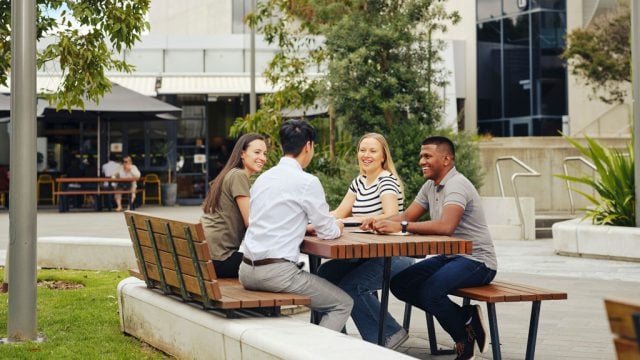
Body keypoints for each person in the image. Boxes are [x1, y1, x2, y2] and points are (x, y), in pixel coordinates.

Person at [362, 136, 497, 360]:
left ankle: (464, 339)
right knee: (400, 283)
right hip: (450, 257)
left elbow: (446, 226)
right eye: (421, 156)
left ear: (446, 159)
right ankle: (465, 316)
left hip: (477, 261)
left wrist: (401, 225)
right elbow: (406, 215)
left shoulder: (456, 185)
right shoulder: (430, 186)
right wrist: (379, 221)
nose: (421, 161)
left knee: (431, 292)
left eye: (427, 156)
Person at [238, 119, 353, 332]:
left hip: (246, 270)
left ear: (283, 146)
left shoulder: (263, 178)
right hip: (276, 274)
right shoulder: (307, 182)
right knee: (342, 304)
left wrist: (302, 226)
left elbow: (263, 218)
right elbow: (328, 232)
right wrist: (338, 225)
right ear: (308, 146)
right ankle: (312, 353)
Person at [317, 133, 413, 348]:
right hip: (367, 254)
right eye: (362, 150)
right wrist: (314, 219)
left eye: (372, 151)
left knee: (353, 287)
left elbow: (391, 215)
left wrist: (358, 219)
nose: (366, 155)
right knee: (323, 277)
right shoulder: (359, 182)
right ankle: (333, 339)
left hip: (393, 255)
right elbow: (340, 212)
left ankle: (390, 333)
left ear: (382, 156)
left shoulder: (386, 181)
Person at [200, 133, 267, 278]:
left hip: (206, 256)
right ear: (242, 153)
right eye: (257, 152)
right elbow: (251, 221)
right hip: (221, 258)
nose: (262, 158)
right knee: (274, 267)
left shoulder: (228, 174)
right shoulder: (238, 176)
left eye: (264, 153)